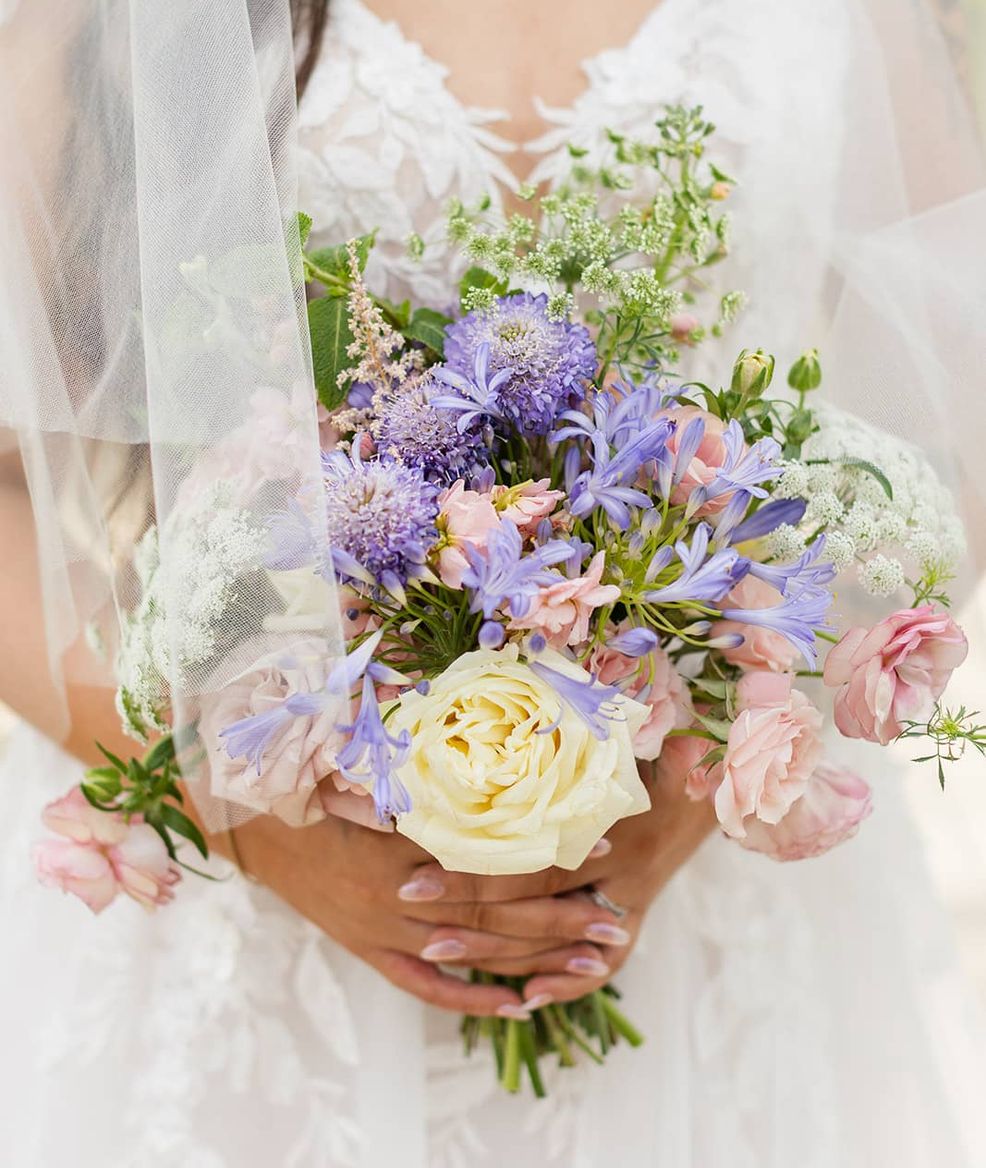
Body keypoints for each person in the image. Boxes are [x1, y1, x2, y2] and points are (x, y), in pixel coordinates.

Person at [1, 1, 985, 1165]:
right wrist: (256, 824)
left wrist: (709, 771)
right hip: (274, 913)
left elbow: (951, 411)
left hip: (703, 888)